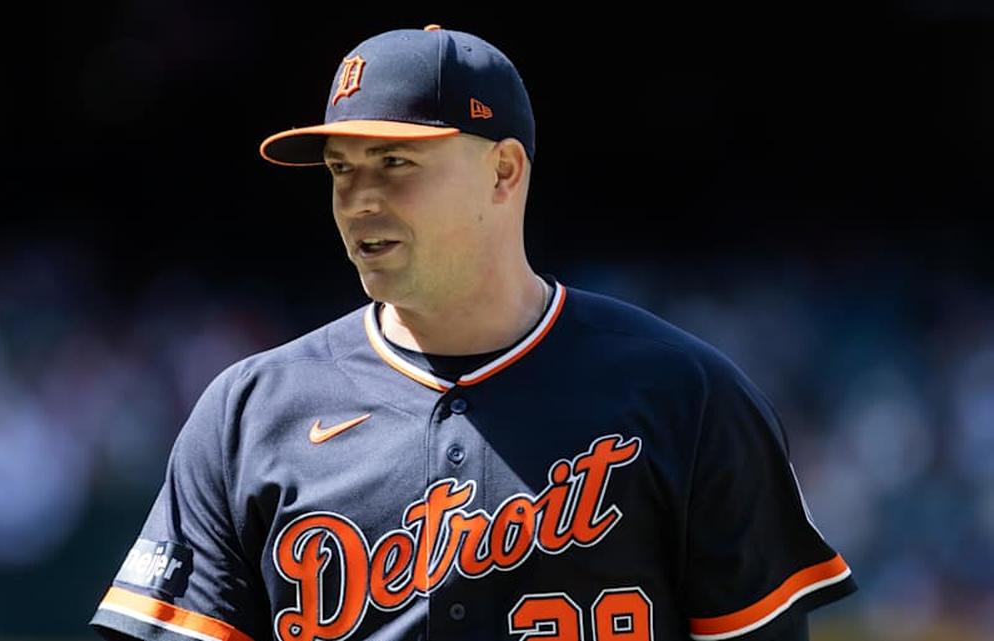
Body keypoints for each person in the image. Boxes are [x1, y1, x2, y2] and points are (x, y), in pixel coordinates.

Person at [88, 24, 856, 641]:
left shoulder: (686, 396)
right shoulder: (249, 412)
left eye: (394, 162)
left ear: (504, 171)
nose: (358, 200)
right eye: (341, 168)